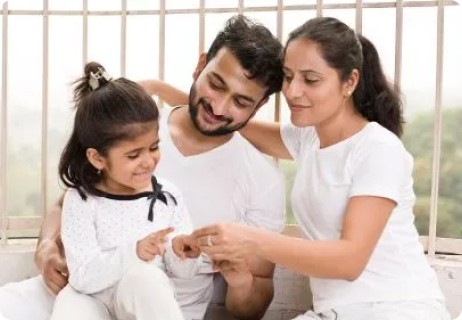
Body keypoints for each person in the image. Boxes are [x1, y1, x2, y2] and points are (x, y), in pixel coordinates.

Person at [0, 15, 285, 320]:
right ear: (200, 65)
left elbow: (255, 301)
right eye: (216, 84)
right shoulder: (135, 125)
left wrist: (240, 279)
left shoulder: (262, 181)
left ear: (261, 105)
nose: (219, 107)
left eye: (241, 102)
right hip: (83, 292)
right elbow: (70, 201)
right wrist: (45, 247)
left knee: (143, 281)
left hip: (161, 309)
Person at [192, 17, 451, 320]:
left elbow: (349, 261)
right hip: (335, 312)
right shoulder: (309, 138)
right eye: (288, 77)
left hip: (397, 309)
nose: (293, 92)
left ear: (349, 82)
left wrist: (251, 239)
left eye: (310, 80)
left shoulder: (378, 148)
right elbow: (232, 120)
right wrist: (157, 91)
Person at [50, 61, 204, 320]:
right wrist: (134, 252)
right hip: (91, 297)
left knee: (146, 278)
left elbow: (183, 274)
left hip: (139, 297)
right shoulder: (81, 200)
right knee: (70, 306)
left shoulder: (168, 196)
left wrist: (183, 253)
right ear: (98, 159)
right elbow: (82, 276)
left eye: (154, 147)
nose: (148, 161)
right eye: (133, 154)